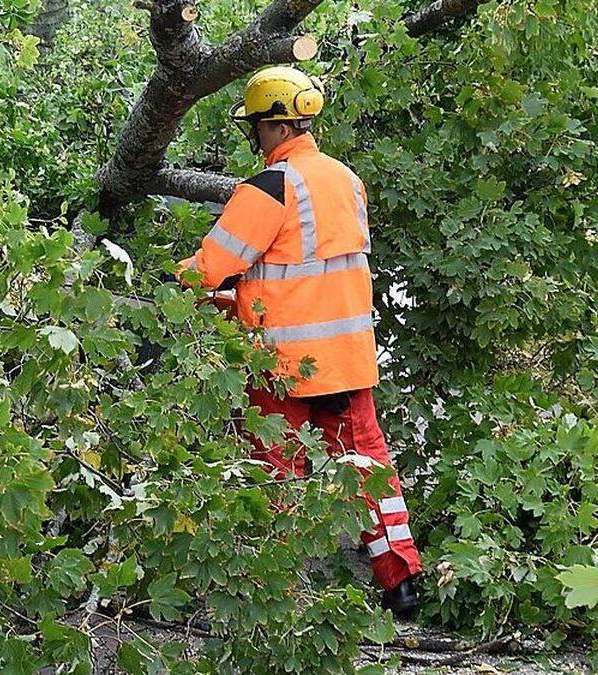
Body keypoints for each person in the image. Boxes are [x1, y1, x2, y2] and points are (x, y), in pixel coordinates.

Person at [176, 66, 421, 614]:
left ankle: (275, 589)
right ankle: (400, 583)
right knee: (368, 468)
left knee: (274, 475)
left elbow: (209, 269)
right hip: (347, 360)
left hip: (281, 365)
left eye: (255, 126)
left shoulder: (270, 187)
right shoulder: (347, 180)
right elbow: (309, 276)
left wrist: (176, 285)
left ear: (272, 126)